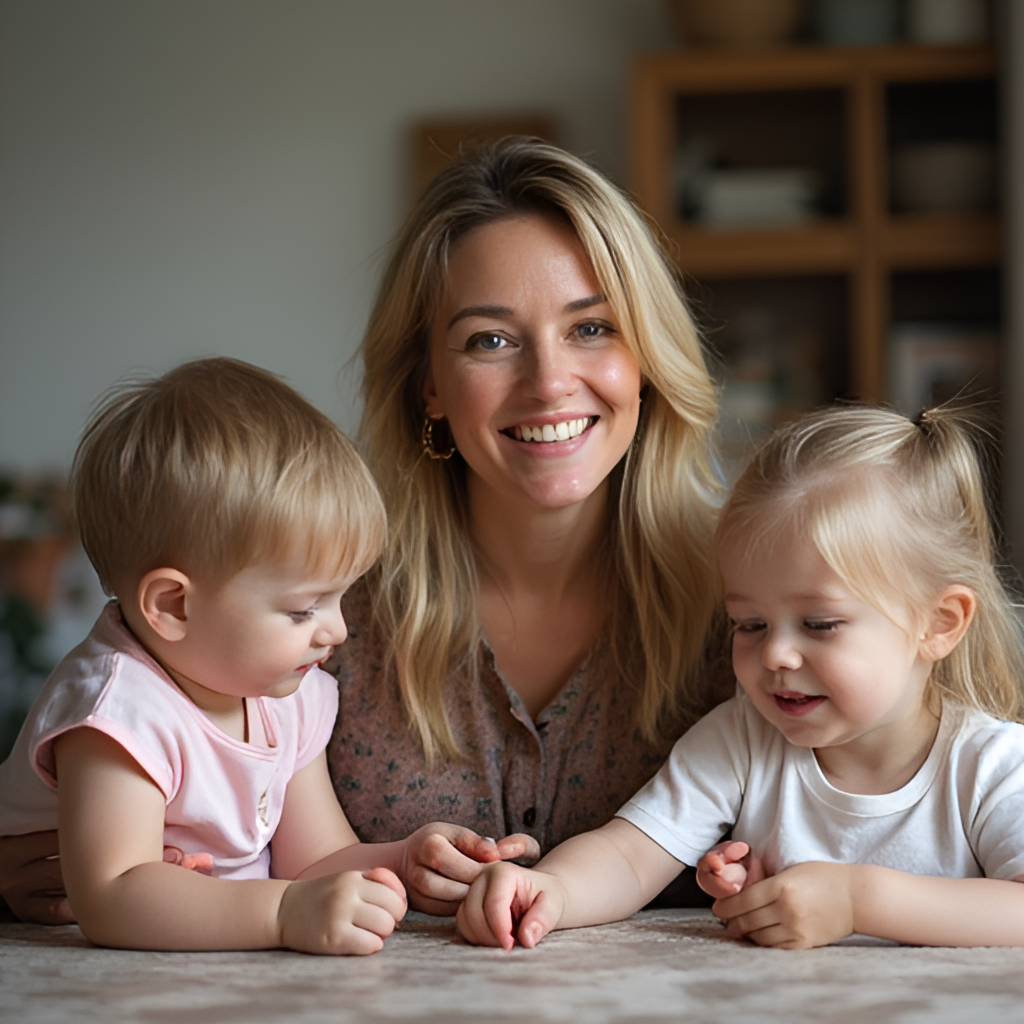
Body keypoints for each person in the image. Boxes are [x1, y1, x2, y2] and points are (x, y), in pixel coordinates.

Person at [0, 138, 727, 923]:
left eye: (592, 329)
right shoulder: (312, 602)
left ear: (647, 357)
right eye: (491, 340)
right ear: (429, 386)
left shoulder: (753, 600)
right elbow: (110, 795)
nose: (549, 382)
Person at [0, 358, 528, 952]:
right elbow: (114, 896)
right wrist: (283, 913)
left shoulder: (285, 692)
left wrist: (406, 861)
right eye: (304, 609)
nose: (338, 630)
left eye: (340, 597)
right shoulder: (119, 710)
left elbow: (316, 859)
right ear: (172, 606)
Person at [457, 404, 1024, 951]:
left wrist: (857, 900)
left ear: (939, 624)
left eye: (819, 624)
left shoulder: (991, 768)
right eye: (749, 623)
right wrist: (553, 888)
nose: (776, 654)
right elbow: (630, 855)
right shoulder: (743, 740)